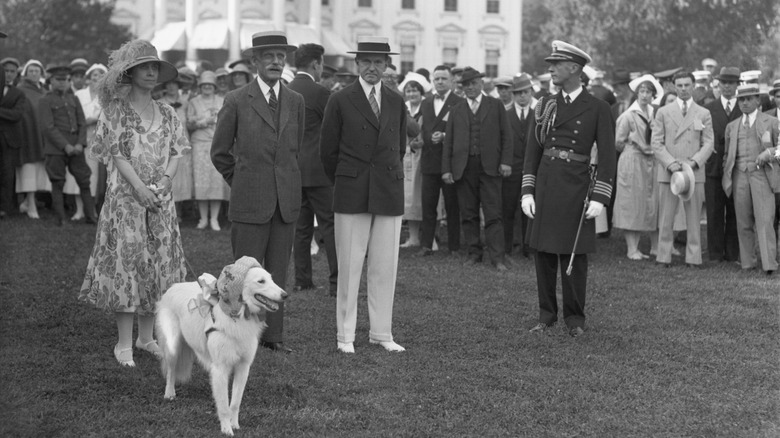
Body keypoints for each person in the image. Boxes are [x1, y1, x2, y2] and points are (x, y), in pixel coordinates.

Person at [79, 39, 189, 367]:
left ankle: (146, 338)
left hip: (159, 201)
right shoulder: (116, 110)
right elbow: (115, 153)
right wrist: (140, 188)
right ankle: (123, 344)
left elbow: (176, 151)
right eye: (145, 67)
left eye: (156, 67)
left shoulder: (168, 112)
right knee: (127, 266)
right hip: (125, 201)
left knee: (155, 266)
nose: (152, 72)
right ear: (131, 72)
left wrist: (166, 181)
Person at [211, 31, 305, 354]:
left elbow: (297, 149)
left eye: (281, 57)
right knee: (244, 273)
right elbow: (219, 152)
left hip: (285, 202)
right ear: (255, 62)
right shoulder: (236, 100)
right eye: (269, 56)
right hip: (249, 202)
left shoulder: (295, 101)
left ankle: (272, 337)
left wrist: (287, 183)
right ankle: (237, 332)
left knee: (277, 271)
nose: (277, 62)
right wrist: (242, 181)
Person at [521, 41, 616, 338]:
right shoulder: (546, 104)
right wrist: (527, 190)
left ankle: (575, 320)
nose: (550, 69)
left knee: (574, 254)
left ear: (574, 68)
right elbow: (532, 151)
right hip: (547, 184)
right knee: (544, 254)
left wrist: (600, 197)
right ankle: (546, 315)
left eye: (556, 64)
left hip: (576, 186)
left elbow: (608, 157)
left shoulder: (598, 107)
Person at [320, 36, 408, 354]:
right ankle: (346, 336)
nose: (373, 67)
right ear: (357, 64)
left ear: (387, 66)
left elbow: (400, 147)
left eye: (379, 62)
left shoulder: (397, 101)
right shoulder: (340, 99)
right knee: (350, 264)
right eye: (367, 61)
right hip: (351, 189)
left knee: (385, 265)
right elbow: (327, 151)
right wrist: (348, 177)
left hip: (388, 189)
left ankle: (381, 333)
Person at [442, 67, 513, 271]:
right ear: (461, 87)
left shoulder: (496, 105)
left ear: (481, 84)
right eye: (466, 85)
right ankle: (474, 253)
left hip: (490, 167)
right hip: (464, 168)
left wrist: (506, 161)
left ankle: (497, 257)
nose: (470, 88)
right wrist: (446, 169)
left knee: (493, 213)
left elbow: (506, 135)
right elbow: (449, 143)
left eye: (473, 83)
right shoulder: (456, 110)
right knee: (468, 213)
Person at [287, 43, 338, 296]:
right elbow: (334, 131)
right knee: (331, 228)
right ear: (316, 63)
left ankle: (302, 280)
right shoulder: (321, 93)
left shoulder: (286, 90)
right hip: (319, 171)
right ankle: (336, 283)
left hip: (294, 170)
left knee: (301, 229)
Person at [651, 70, 714, 268]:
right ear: (673, 86)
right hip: (669, 172)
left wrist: (695, 162)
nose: (684, 89)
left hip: (693, 171)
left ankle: (694, 258)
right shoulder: (663, 112)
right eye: (680, 85)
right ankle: (663, 256)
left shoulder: (703, 113)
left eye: (687, 85)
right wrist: (670, 163)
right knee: (666, 216)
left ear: (693, 86)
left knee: (694, 218)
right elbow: (656, 142)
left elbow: (709, 143)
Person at [722, 84, 778, 275]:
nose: (744, 103)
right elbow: (726, 155)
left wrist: (769, 152)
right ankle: (747, 262)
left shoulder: (771, 122)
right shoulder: (732, 126)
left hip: (762, 175)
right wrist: (727, 173)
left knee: (764, 220)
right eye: (741, 99)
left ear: (757, 100)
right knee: (743, 220)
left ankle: (769, 264)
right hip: (739, 176)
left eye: (748, 99)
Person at [39, 64, 98, 226]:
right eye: (58, 80)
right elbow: (48, 127)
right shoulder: (45, 100)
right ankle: (61, 218)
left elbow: (81, 123)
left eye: (65, 80)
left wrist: (80, 144)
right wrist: (66, 146)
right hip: (56, 149)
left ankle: (90, 216)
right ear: (51, 81)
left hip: (76, 148)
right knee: (57, 182)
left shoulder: (74, 98)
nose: (62, 83)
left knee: (84, 181)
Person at [613, 74, 663, 260]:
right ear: (637, 93)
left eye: (648, 92)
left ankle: (655, 247)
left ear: (653, 95)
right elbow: (618, 142)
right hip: (633, 161)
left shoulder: (656, 114)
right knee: (631, 202)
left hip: (652, 162)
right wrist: (635, 146)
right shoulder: (627, 116)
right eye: (641, 91)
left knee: (653, 202)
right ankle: (631, 248)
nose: (644, 95)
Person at [417, 65, 463, 257]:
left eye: (444, 78)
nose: (440, 82)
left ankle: (454, 246)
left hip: (450, 163)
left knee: (452, 206)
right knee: (428, 206)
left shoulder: (459, 102)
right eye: (436, 79)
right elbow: (422, 128)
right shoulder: (426, 102)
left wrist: (444, 136)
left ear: (452, 80)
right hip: (428, 161)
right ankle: (427, 244)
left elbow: (463, 131)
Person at [703, 67, 741, 263]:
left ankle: (733, 253)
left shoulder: (744, 107)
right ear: (718, 84)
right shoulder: (709, 109)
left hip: (737, 168)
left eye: (731, 83)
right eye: (723, 82)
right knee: (714, 210)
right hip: (714, 168)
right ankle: (715, 253)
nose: (727, 86)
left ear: (737, 85)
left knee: (735, 210)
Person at [187, 70, 228, 231]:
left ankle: (215, 218)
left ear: (214, 86)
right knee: (201, 181)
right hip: (199, 144)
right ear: (200, 86)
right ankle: (203, 218)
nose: (207, 87)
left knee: (216, 180)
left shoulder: (221, 100)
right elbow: (189, 124)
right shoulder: (194, 102)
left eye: (210, 85)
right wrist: (204, 121)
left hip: (217, 144)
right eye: (204, 85)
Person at [66, 63, 107, 217]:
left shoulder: (107, 96)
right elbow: (72, 115)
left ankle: (92, 209)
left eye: (101, 74)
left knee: (94, 173)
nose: (97, 77)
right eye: (94, 75)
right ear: (88, 78)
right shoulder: (79, 95)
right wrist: (85, 121)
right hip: (80, 136)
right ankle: (79, 209)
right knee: (77, 170)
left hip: (99, 139)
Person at [504, 73, 537, 258]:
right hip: (510, 170)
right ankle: (507, 247)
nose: (522, 96)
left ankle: (528, 247)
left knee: (530, 210)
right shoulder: (506, 115)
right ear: (513, 95)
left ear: (531, 92)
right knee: (508, 209)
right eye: (518, 93)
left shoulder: (537, 115)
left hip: (531, 170)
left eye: (525, 92)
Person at [15, 60, 49, 219]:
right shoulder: (20, 90)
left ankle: (30, 201)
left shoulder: (44, 90)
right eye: (31, 71)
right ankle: (29, 202)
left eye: (37, 71)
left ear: (41, 73)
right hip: (27, 135)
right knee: (29, 168)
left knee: (39, 169)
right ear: (26, 73)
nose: (34, 74)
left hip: (42, 135)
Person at [399, 72, 428, 248]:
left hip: (423, 157)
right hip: (406, 156)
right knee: (408, 197)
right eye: (409, 91)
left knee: (423, 196)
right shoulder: (404, 108)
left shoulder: (427, 107)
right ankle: (413, 236)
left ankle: (430, 236)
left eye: (415, 91)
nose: (412, 94)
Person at [158, 76, 192, 207]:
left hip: (183, 142)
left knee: (183, 175)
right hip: (166, 144)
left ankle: (181, 207)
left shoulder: (186, 103)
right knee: (168, 174)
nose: (171, 87)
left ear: (179, 86)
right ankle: (167, 205)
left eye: (174, 84)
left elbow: (189, 122)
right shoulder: (159, 103)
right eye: (168, 84)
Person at [0, 66, 26, 217]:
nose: (8, 75)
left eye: (12, 72)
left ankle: (5, 208)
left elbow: (16, 115)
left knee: (7, 173)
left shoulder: (18, 93)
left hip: (9, 139)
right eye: (5, 72)